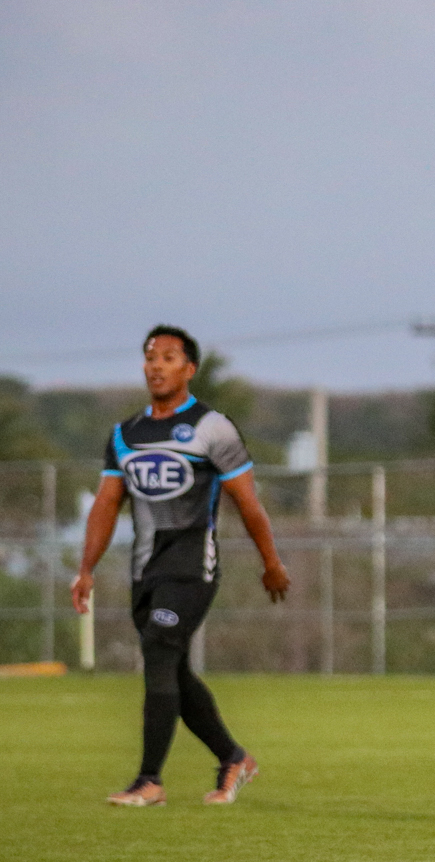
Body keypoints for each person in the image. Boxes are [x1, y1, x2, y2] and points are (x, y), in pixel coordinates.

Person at [71, 326, 291, 807]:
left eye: (169, 357)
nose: (156, 365)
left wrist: (271, 563)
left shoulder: (214, 428)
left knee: (159, 648)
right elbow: (106, 506)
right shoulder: (125, 434)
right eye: (151, 357)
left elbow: (248, 504)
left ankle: (149, 780)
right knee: (170, 667)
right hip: (145, 571)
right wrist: (85, 569)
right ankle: (233, 757)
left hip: (193, 569)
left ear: (189, 369)